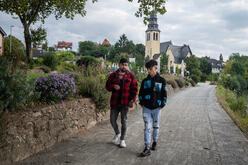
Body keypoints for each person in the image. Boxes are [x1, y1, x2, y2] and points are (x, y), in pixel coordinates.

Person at [106, 58, 138, 148]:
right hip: (115, 102)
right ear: (119, 65)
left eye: (126, 65)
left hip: (125, 103)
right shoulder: (113, 75)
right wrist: (113, 86)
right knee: (112, 120)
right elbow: (107, 86)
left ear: (127, 66)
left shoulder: (131, 76)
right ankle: (117, 133)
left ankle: (122, 140)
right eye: (123, 64)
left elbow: (135, 89)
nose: (124, 66)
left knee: (124, 121)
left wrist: (132, 100)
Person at [138, 59, 167, 157]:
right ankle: (147, 147)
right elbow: (140, 93)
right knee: (147, 127)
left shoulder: (161, 80)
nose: (149, 71)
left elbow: (164, 94)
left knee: (156, 126)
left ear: (155, 68)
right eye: (148, 69)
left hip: (157, 108)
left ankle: (154, 141)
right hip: (146, 108)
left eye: (150, 69)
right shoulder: (145, 81)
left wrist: (162, 104)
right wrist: (141, 102)